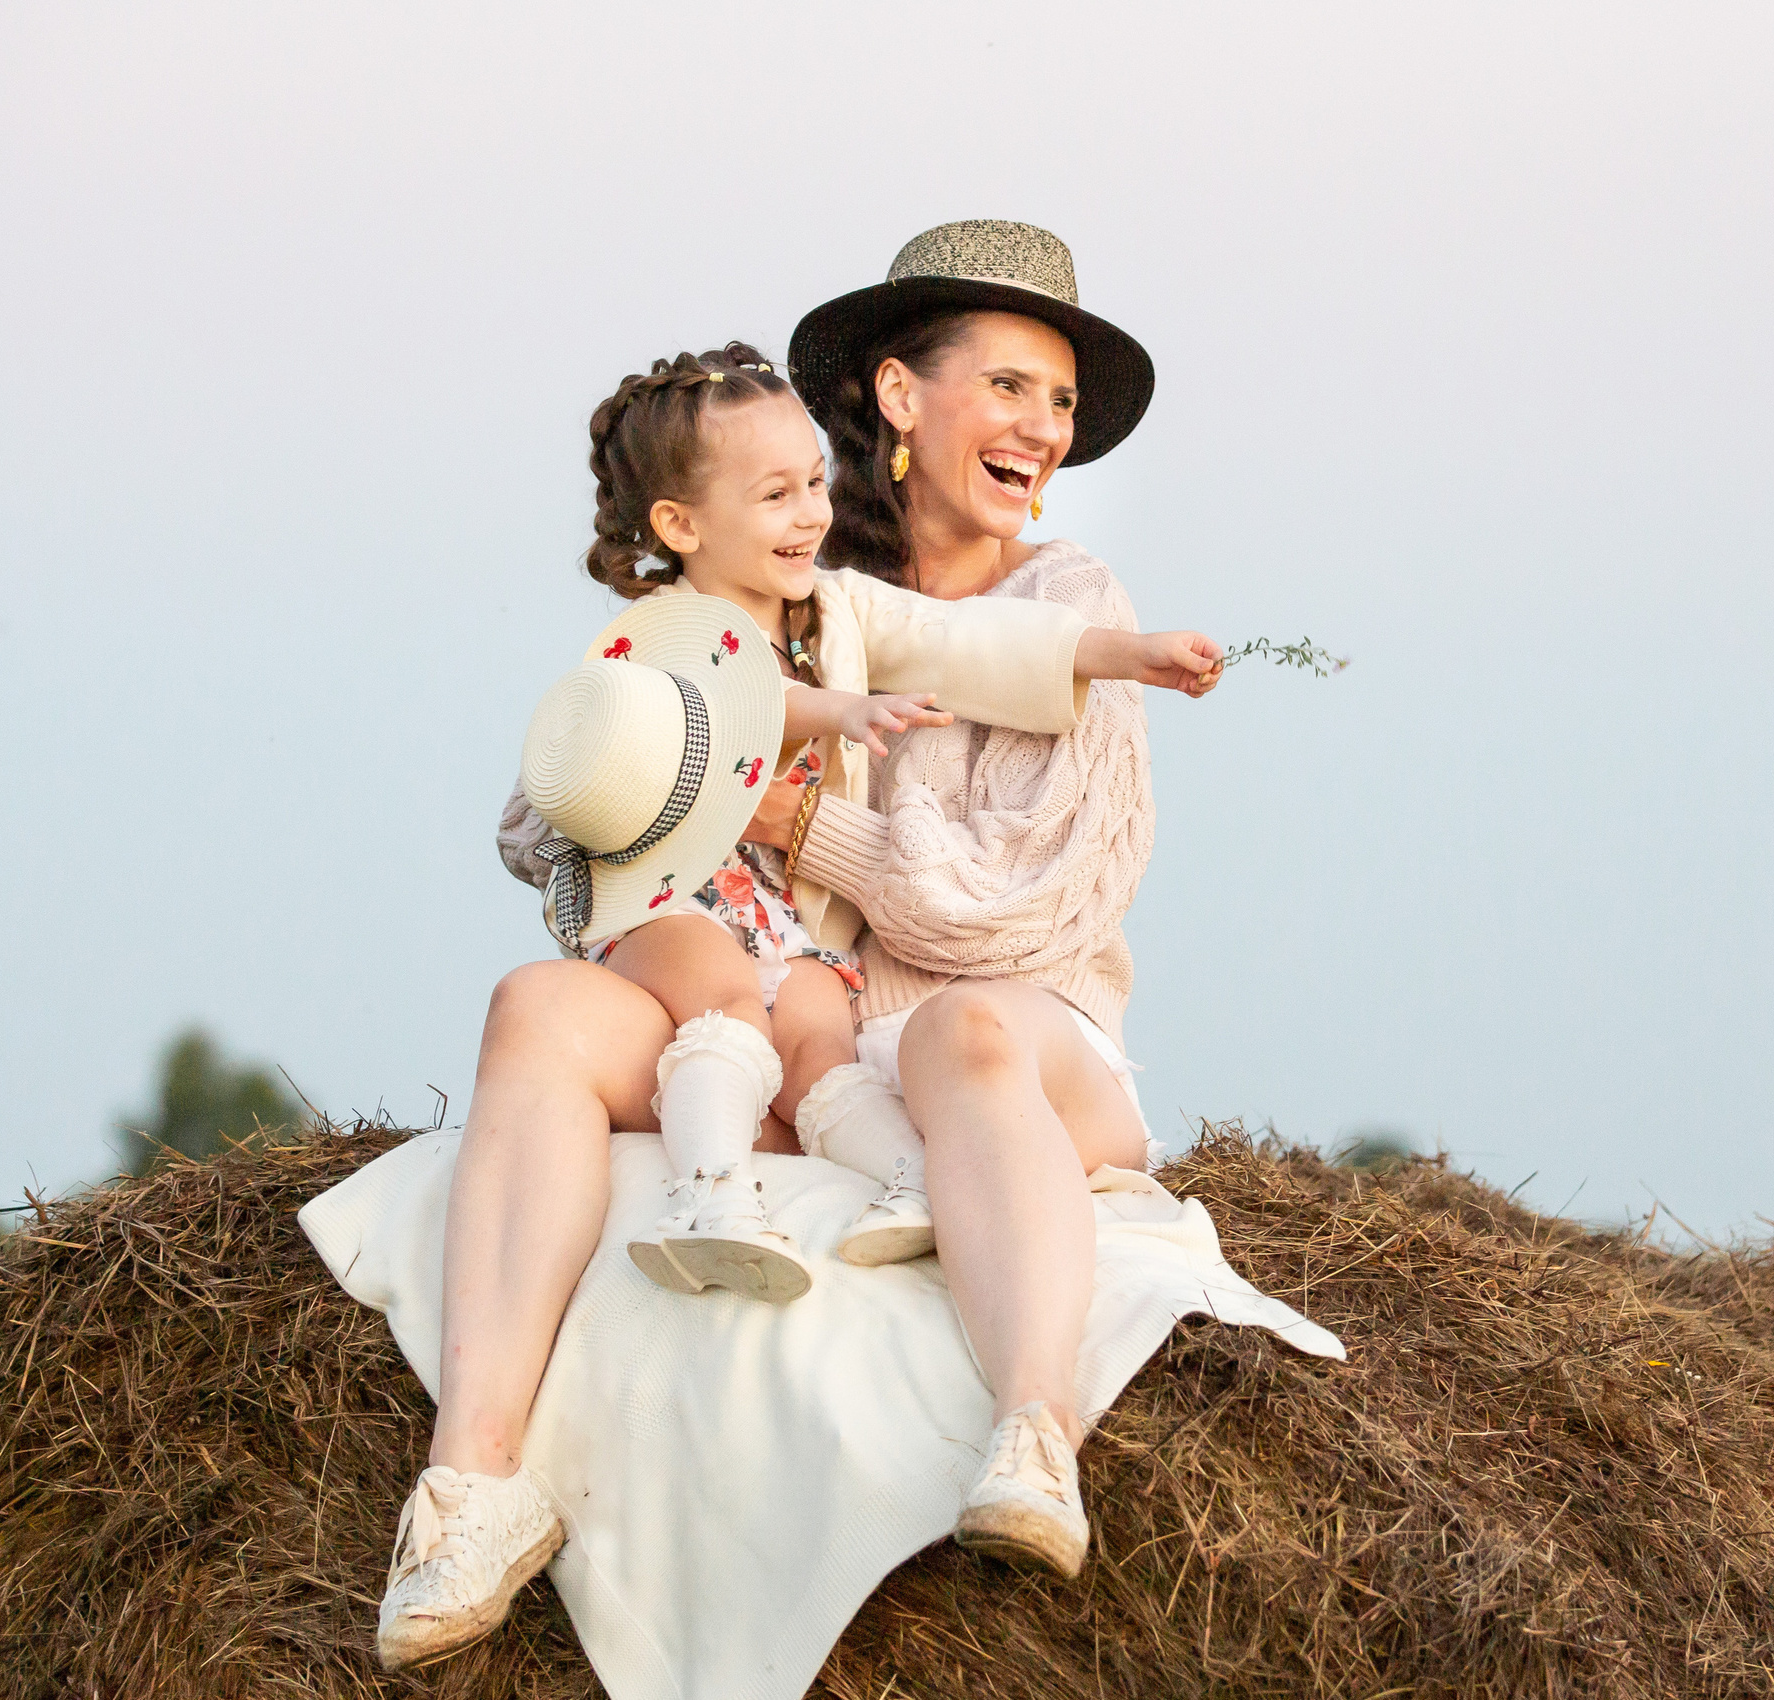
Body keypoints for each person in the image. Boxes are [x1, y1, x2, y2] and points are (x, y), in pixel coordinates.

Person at [375, 220, 1215, 1671]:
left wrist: (788, 829)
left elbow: (1002, 915)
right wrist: (648, 771)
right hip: (784, 1016)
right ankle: (473, 1486)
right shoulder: (786, 593)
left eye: (1061, 403)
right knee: (538, 1006)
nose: (1043, 429)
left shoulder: (1056, 598)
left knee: (959, 1028)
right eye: (1011, 387)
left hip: (1002, 1040)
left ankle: (1035, 1438)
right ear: (900, 398)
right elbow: (564, 802)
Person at [520, 341, 1220, 1303]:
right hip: (676, 902)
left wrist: (1121, 652)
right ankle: (712, 1195)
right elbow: (700, 717)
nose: (807, 512)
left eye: (813, 484)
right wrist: (830, 718)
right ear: (681, 524)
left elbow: (966, 640)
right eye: (777, 495)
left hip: (798, 927)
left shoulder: (836, 605)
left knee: (815, 1034)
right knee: (724, 1000)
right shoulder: (660, 632)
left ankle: (912, 1180)